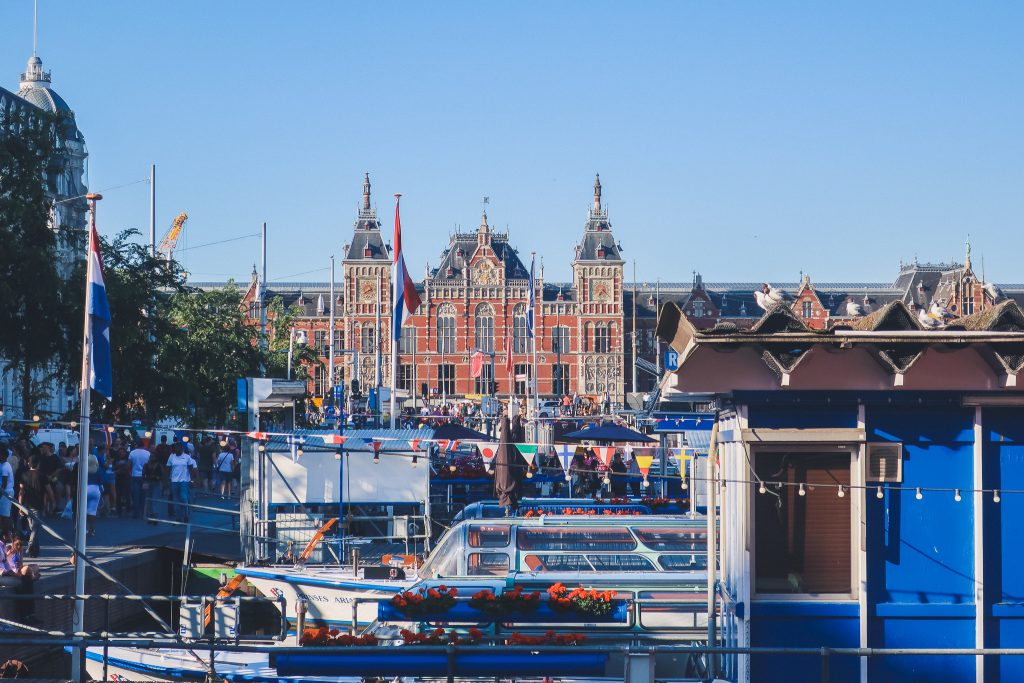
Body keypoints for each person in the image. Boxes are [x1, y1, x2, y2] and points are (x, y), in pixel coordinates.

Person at [1, 537, 40, 624]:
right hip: (7, 573)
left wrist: (21, 553)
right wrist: (9, 554)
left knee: (29, 577)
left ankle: (30, 614)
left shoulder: (16, 550)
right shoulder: (6, 548)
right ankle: (25, 615)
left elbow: (18, 564)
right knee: (23, 580)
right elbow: (4, 564)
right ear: (12, 542)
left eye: (21, 544)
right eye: (17, 544)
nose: (19, 546)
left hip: (13, 571)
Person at [17, 456, 50, 558]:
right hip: (38, 505)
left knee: (32, 528)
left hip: (27, 504)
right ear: (38, 464)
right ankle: (31, 545)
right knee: (35, 528)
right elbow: (48, 491)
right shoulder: (42, 476)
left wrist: (20, 506)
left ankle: (34, 551)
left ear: (29, 464)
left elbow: (21, 492)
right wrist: (50, 504)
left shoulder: (24, 475)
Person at [166, 443, 197, 522]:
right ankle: (178, 518)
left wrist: (192, 480)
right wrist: (167, 480)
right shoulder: (171, 457)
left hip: (184, 481)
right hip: (174, 481)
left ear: (181, 449)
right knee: (176, 500)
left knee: (183, 498)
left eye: (177, 448)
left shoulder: (187, 457)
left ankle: (186, 514)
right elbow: (168, 469)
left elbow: (191, 469)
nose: (175, 450)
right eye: (175, 448)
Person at [128, 439, 151, 519]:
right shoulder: (147, 453)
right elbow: (149, 465)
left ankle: (136, 513)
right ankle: (143, 512)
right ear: (143, 445)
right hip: (144, 477)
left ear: (136, 445)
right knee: (144, 495)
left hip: (135, 476)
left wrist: (130, 473)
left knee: (135, 495)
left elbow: (129, 465)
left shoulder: (132, 453)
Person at [0, 448, 13, 538]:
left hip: (6, 492)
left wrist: (0, 495)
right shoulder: (3, 464)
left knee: (5, 515)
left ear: (4, 456)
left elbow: (4, 483)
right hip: (4, 492)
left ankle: (6, 534)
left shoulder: (5, 467)